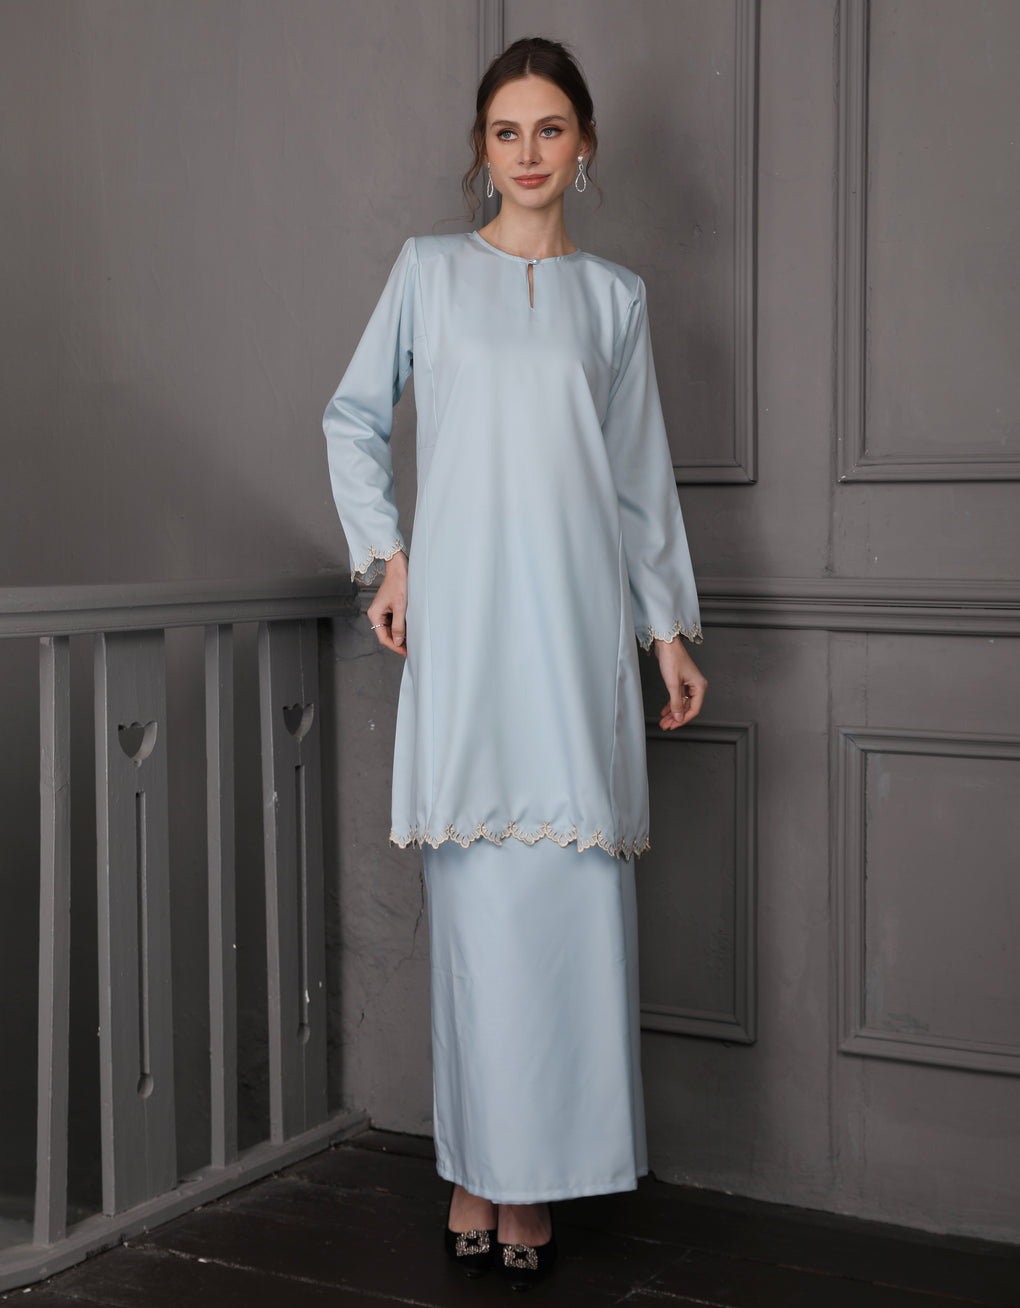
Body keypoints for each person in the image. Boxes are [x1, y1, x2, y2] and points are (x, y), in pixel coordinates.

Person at [322, 36, 707, 1292]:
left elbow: (640, 483)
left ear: (584, 145)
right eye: (506, 131)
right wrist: (389, 558)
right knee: (481, 922)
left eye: (550, 129)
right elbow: (353, 419)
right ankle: (477, 1171)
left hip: (576, 639)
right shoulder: (428, 275)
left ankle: (530, 1179)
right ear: (482, 148)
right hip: (472, 638)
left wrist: (666, 630)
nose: (528, 153)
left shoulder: (616, 301)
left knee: (566, 923)